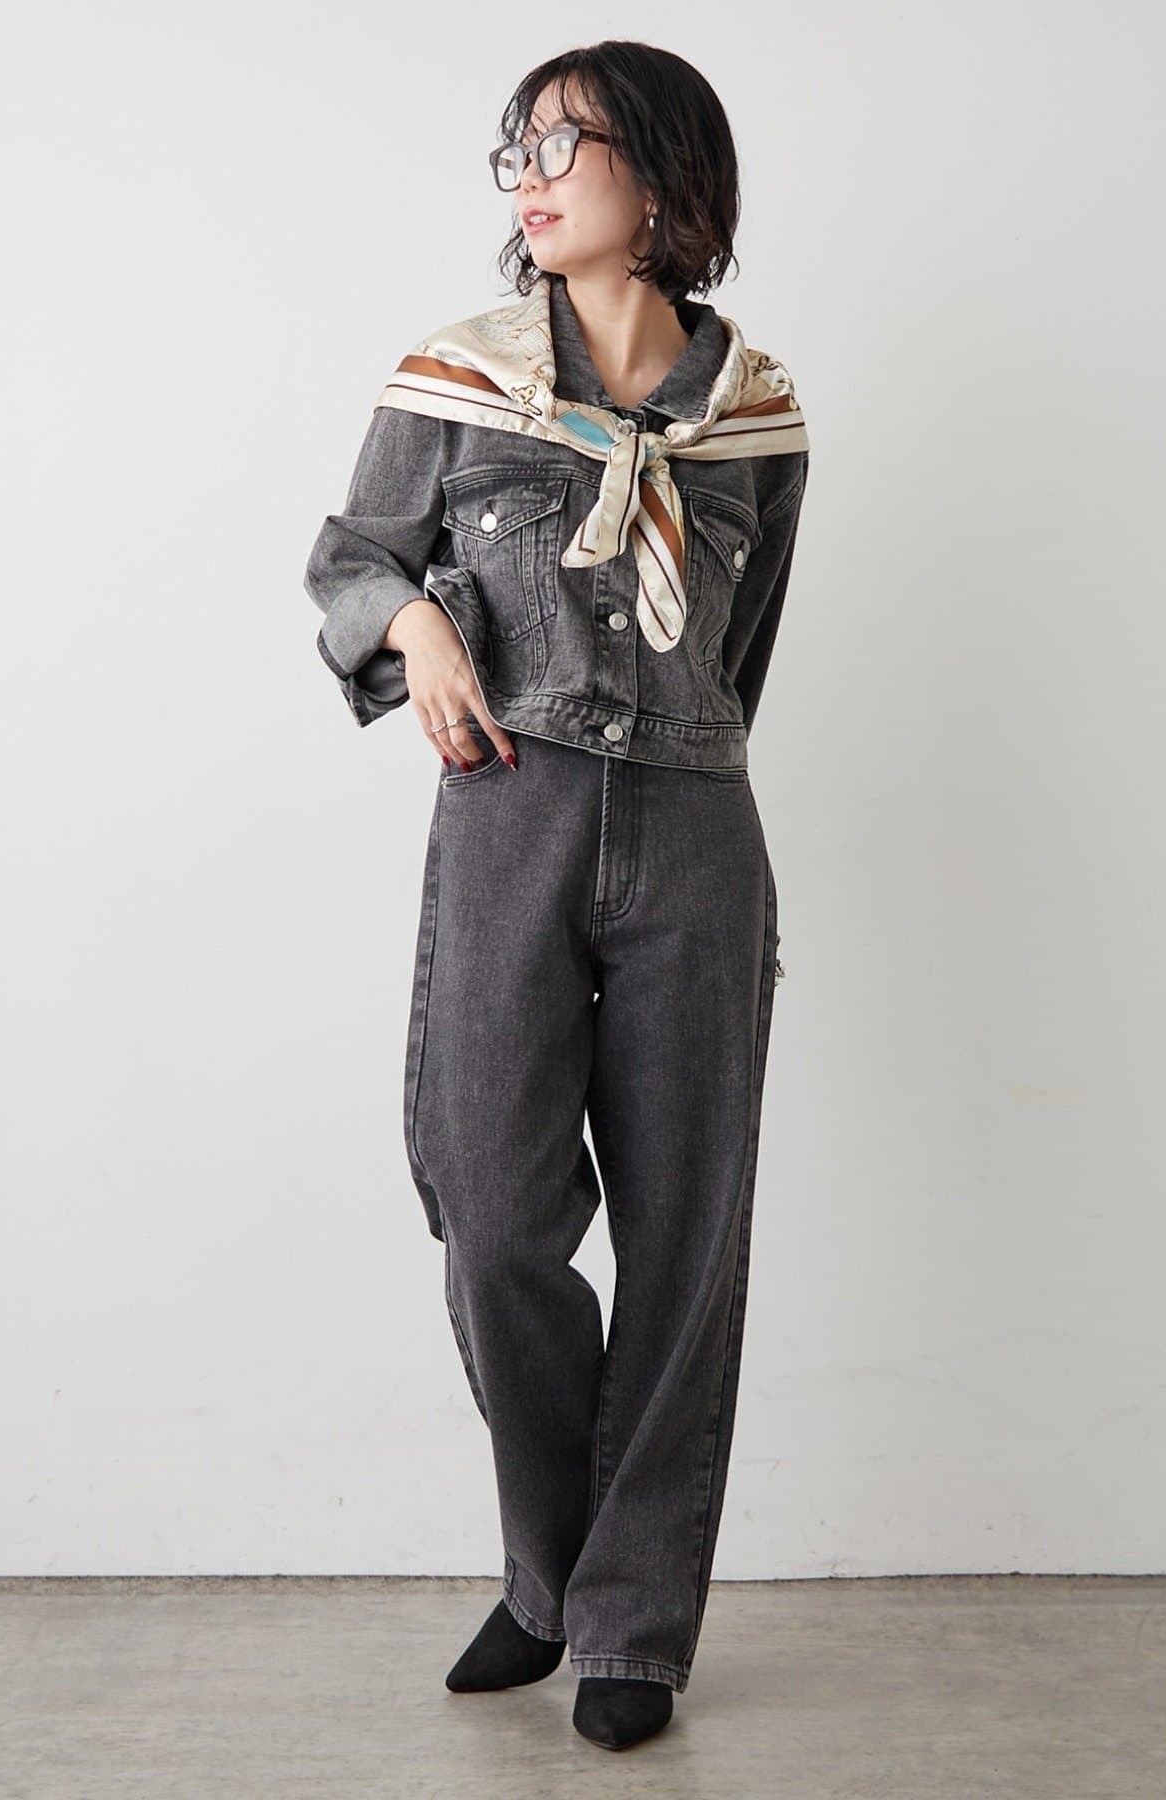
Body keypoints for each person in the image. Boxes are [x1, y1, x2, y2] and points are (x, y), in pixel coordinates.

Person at [302, 41, 810, 1752]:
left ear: (660, 180)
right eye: (512, 150)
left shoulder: (758, 417)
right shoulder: (459, 378)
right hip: (509, 816)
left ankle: (632, 1626)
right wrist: (419, 628)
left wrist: (678, 765)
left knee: (687, 1240)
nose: (526, 178)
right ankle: (552, 1569)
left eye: (562, 147)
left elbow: (742, 655)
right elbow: (352, 557)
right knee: (497, 1214)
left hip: (695, 833)